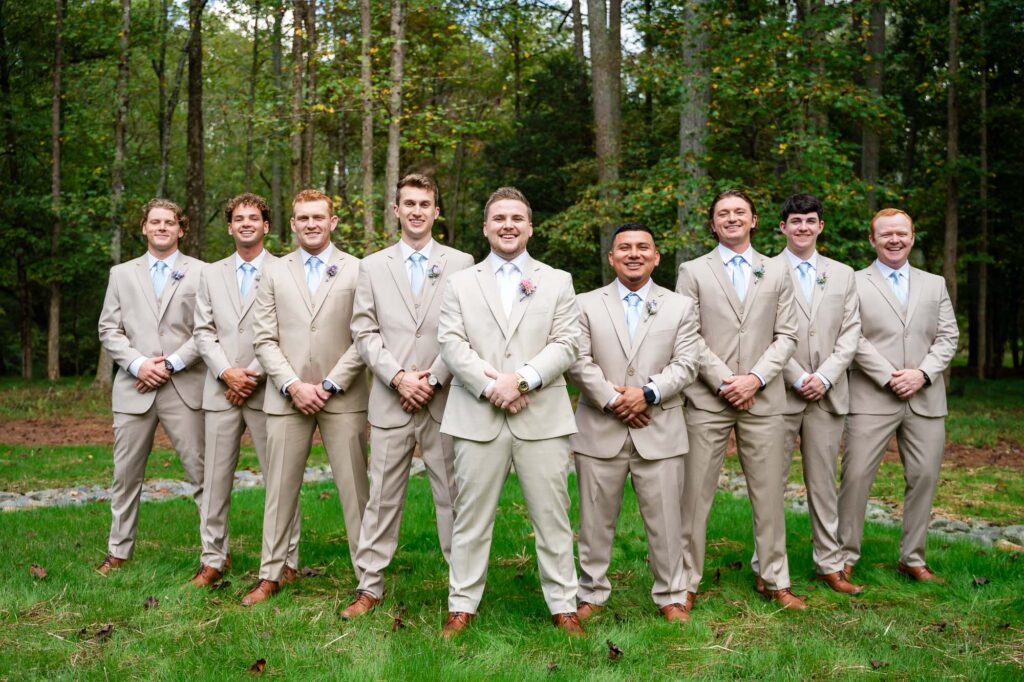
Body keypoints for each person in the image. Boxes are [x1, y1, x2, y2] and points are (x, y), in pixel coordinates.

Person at [437, 187, 583, 636]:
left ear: (530, 226)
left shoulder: (557, 280)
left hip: (541, 417)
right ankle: (462, 605)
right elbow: (450, 342)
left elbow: (567, 342)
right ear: (486, 227)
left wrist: (519, 381)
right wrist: (490, 386)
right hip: (476, 415)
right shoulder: (461, 282)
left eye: (517, 218)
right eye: (499, 218)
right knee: (470, 520)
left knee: (553, 518)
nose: (508, 225)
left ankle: (564, 605)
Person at [340, 174, 473, 619]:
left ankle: (462, 590)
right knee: (382, 498)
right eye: (409, 203)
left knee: (453, 495)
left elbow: (466, 331)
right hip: (390, 398)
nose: (417, 211)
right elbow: (363, 329)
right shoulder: (371, 266)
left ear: (437, 211)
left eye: (425, 203)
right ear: (395, 210)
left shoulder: (462, 263)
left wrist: (432, 379)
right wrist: (399, 377)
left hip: (444, 398)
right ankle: (369, 585)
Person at [675, 189, 805, 612]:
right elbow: (687, 333)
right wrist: (724, 380)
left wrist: (754, 379)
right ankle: (685, 582)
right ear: (712, 224)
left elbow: (787, 334)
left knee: (769, 494)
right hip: (709, 399)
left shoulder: (777, 271)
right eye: (722, 214)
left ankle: (774, 578)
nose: (731, 218)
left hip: (764, 400)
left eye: (740, 212)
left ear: (754, 221)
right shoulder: (692, 271)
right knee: (694, 496)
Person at [242, 189, 370, 606]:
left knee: (355, 490)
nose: (311, 223)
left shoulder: (358, 270)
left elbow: (364, 335)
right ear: (292, 225)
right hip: (286, 397)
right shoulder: (274, 272)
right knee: (278, 489)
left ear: (333, 222)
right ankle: (272, 573)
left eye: (318, 217)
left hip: (343, 397)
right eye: (302, 218)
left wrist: (331, 383)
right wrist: (293, 385)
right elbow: (263, 338)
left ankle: (367, 581)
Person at [568, 222, 701, 622]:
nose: (634, 253)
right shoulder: (584, 303)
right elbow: (577, 360)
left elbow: (688, 363)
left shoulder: (681, 306)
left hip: (658, 426)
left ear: (656, 256)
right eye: (624, 247)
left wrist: (646, 393)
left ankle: (672, 594)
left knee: (666, 520)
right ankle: (591, 591)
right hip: (599, 428)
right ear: (611, 257)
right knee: (594, 520)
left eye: (643, 247)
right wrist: (612, 399)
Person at [837, 208, 958, 583]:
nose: (894, 240)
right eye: (886, 234)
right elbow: (850, 337)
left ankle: (913, 558)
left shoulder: (934, 283)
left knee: (923, 477)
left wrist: (922, 374)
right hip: (871, 396)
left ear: (912, 237)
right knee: (856, 477)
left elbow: (948, 336)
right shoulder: (853, 282)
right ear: (872, 240)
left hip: (925, 398)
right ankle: (842, 557)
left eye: (901, 233)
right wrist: (890, 377)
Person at [749, 194, 863, 595]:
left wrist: (826, 376)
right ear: (781, 227)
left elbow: (851, 333)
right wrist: (798, 376)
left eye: (810, 221)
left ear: (821, 226)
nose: (802, 227)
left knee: (823, 483)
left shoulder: (843, 273)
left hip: (828, 393)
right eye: (794, 221)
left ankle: (829, 563)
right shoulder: (761, 270)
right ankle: (766, 566)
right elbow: (761, 332)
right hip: (779, 391)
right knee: (769, 484)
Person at [190, 193, 301, 587]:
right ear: (230, 226)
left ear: (267, 225)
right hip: (220, 389)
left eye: (254, 217)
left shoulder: (287, 270)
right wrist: (226, 373)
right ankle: (213, 558)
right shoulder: (209, 273)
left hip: (267, 387)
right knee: (215, 479)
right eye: (239, 218)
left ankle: (287, 559)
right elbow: (203, 332)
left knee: (280, 477)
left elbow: (288, 330)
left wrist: (250, 375)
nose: (247, 223)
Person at [96, 198, 207, 574]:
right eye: (155, 222)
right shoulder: (121, 274)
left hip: (185, 388)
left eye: (169, 222)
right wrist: (139, 364)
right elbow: (108, 329)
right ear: (143, 227)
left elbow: (207, 331)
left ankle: (214, 555)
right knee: (125, 476)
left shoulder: (202, 273)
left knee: (202, 473)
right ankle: (119, 551)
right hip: (134, 389)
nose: (161, 227)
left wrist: (173, 363)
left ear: (181, 228)